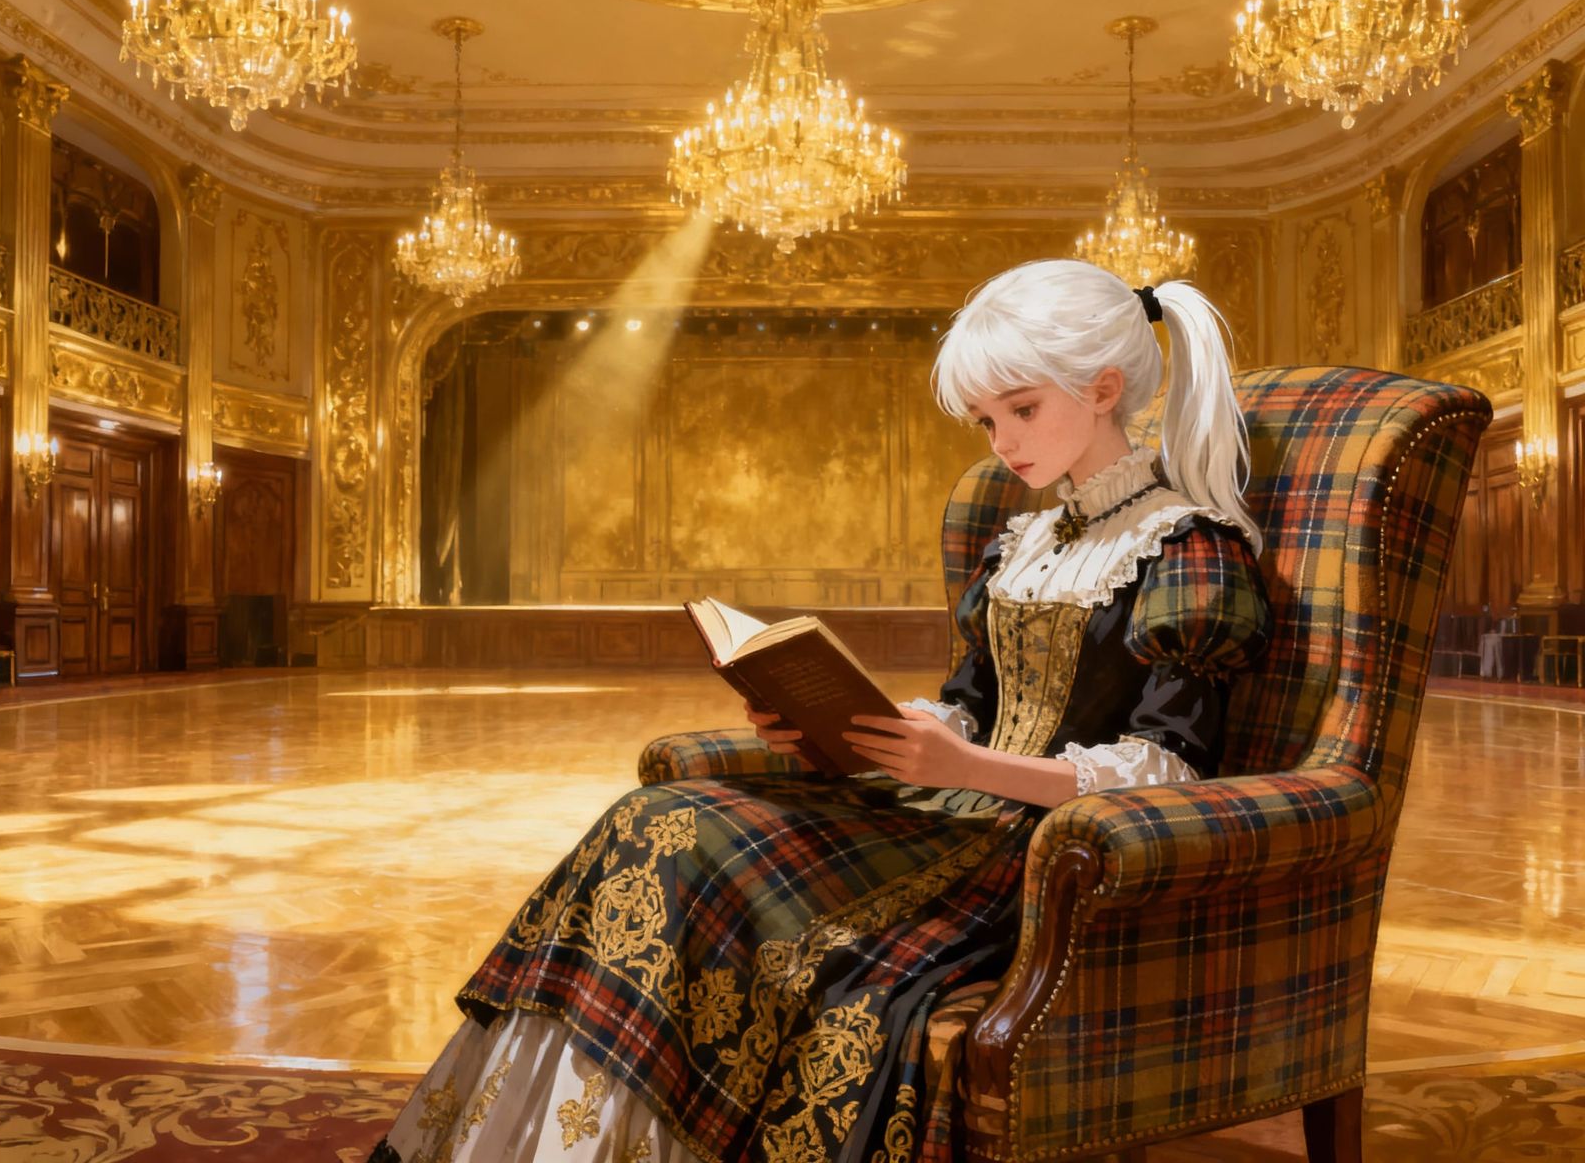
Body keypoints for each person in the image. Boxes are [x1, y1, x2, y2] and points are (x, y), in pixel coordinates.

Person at [370, 259, 1271, 1163]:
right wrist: (840, 729)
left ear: (1104, 388)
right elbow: (970, 705)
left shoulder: (1190, 550)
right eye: (988, 420)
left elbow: (1171, 770)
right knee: (651, 820)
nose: (1002, 441)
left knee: (678, 837)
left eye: (1022, 410)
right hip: (943, 812)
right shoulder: (1025, 541)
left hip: (1035, 856)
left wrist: (970, 770)